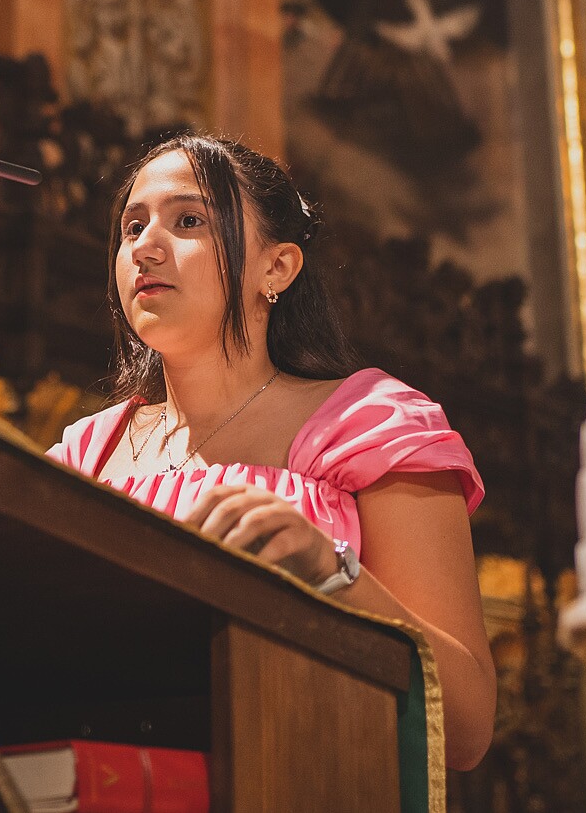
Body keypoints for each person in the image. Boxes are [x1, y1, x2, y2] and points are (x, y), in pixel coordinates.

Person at [48, 134, 496, 769]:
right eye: (130, 227)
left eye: (187, 220)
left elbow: (469, 726)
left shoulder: (371, 424)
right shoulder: (86, 455)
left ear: (277, 268)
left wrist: (331, 570)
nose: (144, 247)